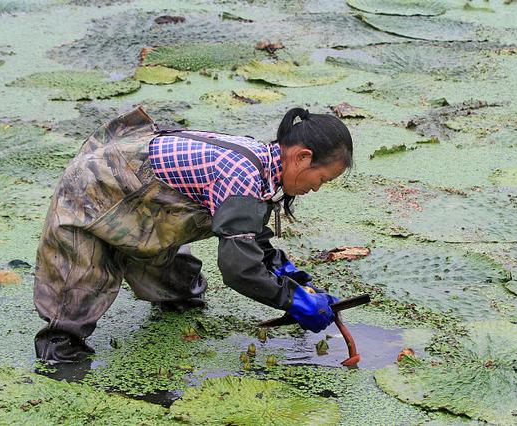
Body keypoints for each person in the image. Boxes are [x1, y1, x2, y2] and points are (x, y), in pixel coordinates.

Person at [33, 106, 353, 362]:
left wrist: (296, 281)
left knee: (181, 293)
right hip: (94, 190)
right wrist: (293, 301)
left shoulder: (264, 168)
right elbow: (239, 268)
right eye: (321, 179)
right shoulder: (243, 174)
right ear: (303, 157)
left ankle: (159, 285)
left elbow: (251, 239)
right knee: (69, 320)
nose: (315, 188)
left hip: (150, 210)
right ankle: (59, 365)